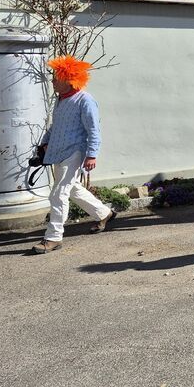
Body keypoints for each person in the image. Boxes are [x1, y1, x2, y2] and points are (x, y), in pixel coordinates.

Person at [31, 56, 117, 254]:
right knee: (73, 189)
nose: (53, 81)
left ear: (70, 79)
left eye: (56, 78)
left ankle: (53, 237)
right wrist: (44, 143)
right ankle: (104, 213)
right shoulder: (60, 100)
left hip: (75, 152)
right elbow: (55, 126)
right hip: (58, 152)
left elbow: (93, 130)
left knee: (58, 193)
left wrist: (92, 155)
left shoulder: (85, 100)